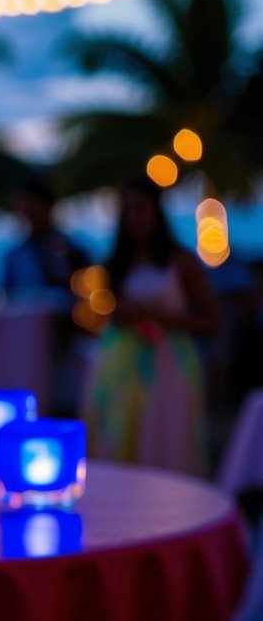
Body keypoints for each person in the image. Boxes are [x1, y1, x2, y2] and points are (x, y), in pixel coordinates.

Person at [85, 179, 219, 475]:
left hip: (168, 368)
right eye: (128, 211)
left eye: (141, 209)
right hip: (121, 367)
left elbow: (211, 322)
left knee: (164, 440)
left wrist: (155, 316)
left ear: (156, 212)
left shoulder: (181, 262)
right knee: (121, 441)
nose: (135, 218)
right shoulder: (116, 264)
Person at [2, 179, 89, 298]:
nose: (29, 216)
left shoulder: (73, 250)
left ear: (48, 206)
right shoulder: (14, 256)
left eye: (33, 208)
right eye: (26, 210)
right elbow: (6, 298)